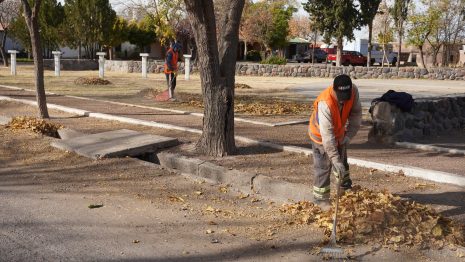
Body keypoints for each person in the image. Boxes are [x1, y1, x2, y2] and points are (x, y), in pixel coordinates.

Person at [308, 74, 362, 208]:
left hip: (339, 134)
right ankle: (321, 200)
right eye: (341, 98)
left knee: (342, 164)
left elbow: (356, 115)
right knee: (324, 167)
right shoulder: (325, 103)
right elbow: (327, 136)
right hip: (320, 137)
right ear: (334, 90)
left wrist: (348, 136)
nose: (343, 101)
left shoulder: (353, 92)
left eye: (346, 97)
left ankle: (345, 191)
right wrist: (334, 159)